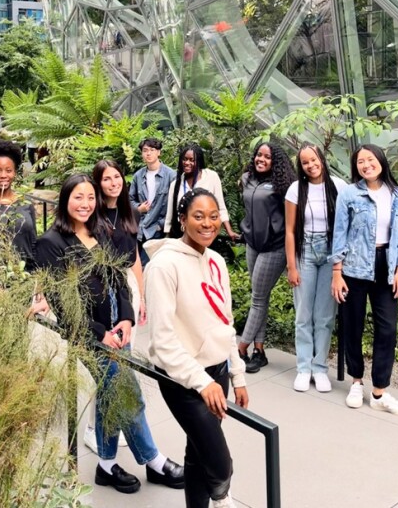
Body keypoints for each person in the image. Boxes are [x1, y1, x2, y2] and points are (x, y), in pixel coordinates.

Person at [32, 174, 185, 495]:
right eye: (78, 197)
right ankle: (153, 460)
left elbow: (119, 277)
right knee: (127, 390)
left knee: (108, 394)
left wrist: (127, 319)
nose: (85, 204)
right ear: (65, 200)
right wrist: (101, 334)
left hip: (120, 327)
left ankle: (105, 465)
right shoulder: (51, 243)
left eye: (90, 197)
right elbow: (63, 303)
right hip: (90, 335)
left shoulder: (100, 230)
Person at [144, 189, 250, 508]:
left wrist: (238, 374)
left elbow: (225, 321)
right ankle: (221, 497)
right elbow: (162, 341)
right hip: (182, 378)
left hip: (218, 373)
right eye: (198, 216)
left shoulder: (216, 261)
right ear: (182, 220)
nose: (207, 223)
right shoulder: (163, 266)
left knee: (197, 454)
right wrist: (202, 383)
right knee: (219, 463)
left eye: (214, 216)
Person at [330, 144, 398, 416]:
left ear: (380, 161)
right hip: (353, 267)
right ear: (356, 167)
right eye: (360, 162)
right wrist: (336, 272)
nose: (366, 165)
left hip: (386, 265)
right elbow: (339, 233)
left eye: (370, 159)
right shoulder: (349, 194)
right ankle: (356, 381)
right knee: (352, 325)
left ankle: (379, 391)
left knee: (387, 328)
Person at [284, 144, 347, 392]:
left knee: (324, 316)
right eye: (305, 162)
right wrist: (291, 265)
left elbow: (344, 226)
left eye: (314, 160)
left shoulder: (339, 187)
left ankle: (320, 368)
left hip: (331, 254)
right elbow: (289, 230)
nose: (310, 165)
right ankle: (303, 367)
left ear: (321, 159)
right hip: (305, 252)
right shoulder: (295, 189)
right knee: (303, 314)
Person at [236, 142, 296, 374]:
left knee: (258, 297)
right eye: (259, 155)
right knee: (260, 297)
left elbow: (292, 219)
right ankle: (259, 352)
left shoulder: (284, 185)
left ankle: (240, 349)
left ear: (276, 161)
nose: (261, 159)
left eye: (267, 157)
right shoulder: (247, 178)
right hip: (253, 243)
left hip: (275, 246)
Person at [93, 160, 145, 326]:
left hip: (127, 283)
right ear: (98, 183)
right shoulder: (91, 215)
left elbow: (134, 256)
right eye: (107, 179)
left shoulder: (132, 213)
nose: (114, 183)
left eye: (117, 176)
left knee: (126, 342)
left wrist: (142, 297)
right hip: (98, 284)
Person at [163, 144, 238, 243]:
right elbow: (170, 214)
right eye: (184, 159)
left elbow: (220, 207)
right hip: (181, 233)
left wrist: (229, 231)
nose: (187, 163)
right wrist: (167, 238)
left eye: (191, 160)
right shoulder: (176, 184)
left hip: (204, 231)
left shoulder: (211, 177)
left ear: (199, 161)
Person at [128, 137, 176, 266]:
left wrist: (161, 225)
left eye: (152, 150)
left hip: (158, 229)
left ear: (159, 152)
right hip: (140, 228)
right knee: (137, 264)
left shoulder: (171, 175)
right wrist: (138, 208)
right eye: (145, 150)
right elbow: (130, 199)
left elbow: (175, 204)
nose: (148, 153)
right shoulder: (138, 176)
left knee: (153, 266)